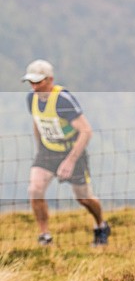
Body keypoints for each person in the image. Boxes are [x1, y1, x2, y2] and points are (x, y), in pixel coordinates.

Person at [22, 59, 110, 247]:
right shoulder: (31, 98)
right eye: (31, 82)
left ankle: (101, 225)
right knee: (35, 189)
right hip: (48, 150)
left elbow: (86, 131)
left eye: (39, 82)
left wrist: (70, 161)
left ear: (50, 80)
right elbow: (37, 122)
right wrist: (41, 151)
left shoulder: (63, 100)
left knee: (83, 197)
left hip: (72, 151)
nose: (35, 86)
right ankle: (45, 236)